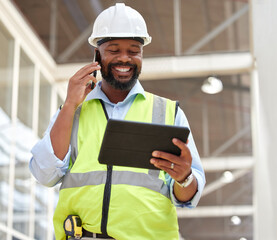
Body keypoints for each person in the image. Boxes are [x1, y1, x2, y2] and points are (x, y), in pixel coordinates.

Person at [30, 3, 205, 240]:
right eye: (113, 50)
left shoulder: (167, 112)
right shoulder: (73, 112)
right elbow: (44, 174)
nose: (125, 58)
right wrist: (70, 104)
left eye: (134, 50)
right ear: (97, 54)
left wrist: (185, 177)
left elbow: (187, 198)